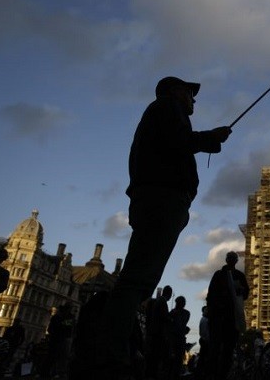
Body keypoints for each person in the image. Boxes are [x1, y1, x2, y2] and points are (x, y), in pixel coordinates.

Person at [96, 76, 232, 376]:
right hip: (162, 200)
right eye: (190, 93)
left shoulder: (164, 112)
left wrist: (209, 140)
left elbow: (177, 143)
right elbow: (179, 141)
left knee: (141, 279)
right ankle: (110, 355)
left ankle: (115, 350)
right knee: (137, 279)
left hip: (159, 200)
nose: (194, 100)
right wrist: (211, 137)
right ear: (174, 92)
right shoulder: (167, 107)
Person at [206, 251, 249, 380]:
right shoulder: (219, 275)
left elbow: (245, 293)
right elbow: (211, 295)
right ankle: (213, 374)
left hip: (231, 317)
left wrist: (239, 290)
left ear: (235, 261)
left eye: (233, 258)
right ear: (227, 260)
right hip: (219, 316)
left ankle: (221, 374)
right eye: (230, 258)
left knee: (227, 349)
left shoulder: (238, 275)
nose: (231, 260)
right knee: (217, 348)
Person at [146, 285, 173, 379]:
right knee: (155, 354)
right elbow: (164, 317)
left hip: (154, 331)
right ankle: (152, 374)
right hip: (158, 333)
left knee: (153, 354)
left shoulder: (159, 301)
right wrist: (171, 319)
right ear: (169, 294)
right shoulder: (162, 302)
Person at [47, 303, 75, 378]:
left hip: (59, 338)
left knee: (56, 356)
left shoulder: (58, 317)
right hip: (61, 338)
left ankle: (52, 371)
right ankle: (56, 372)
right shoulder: (67, 317)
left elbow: (68, 326)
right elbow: (68, 326)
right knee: (59, 356)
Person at [168, 295, 191, 379]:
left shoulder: (173, 313)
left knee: (175, 359)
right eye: (182, 303)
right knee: (176, 360)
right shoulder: (185, 313)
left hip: (176, 339)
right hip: (177, 339)